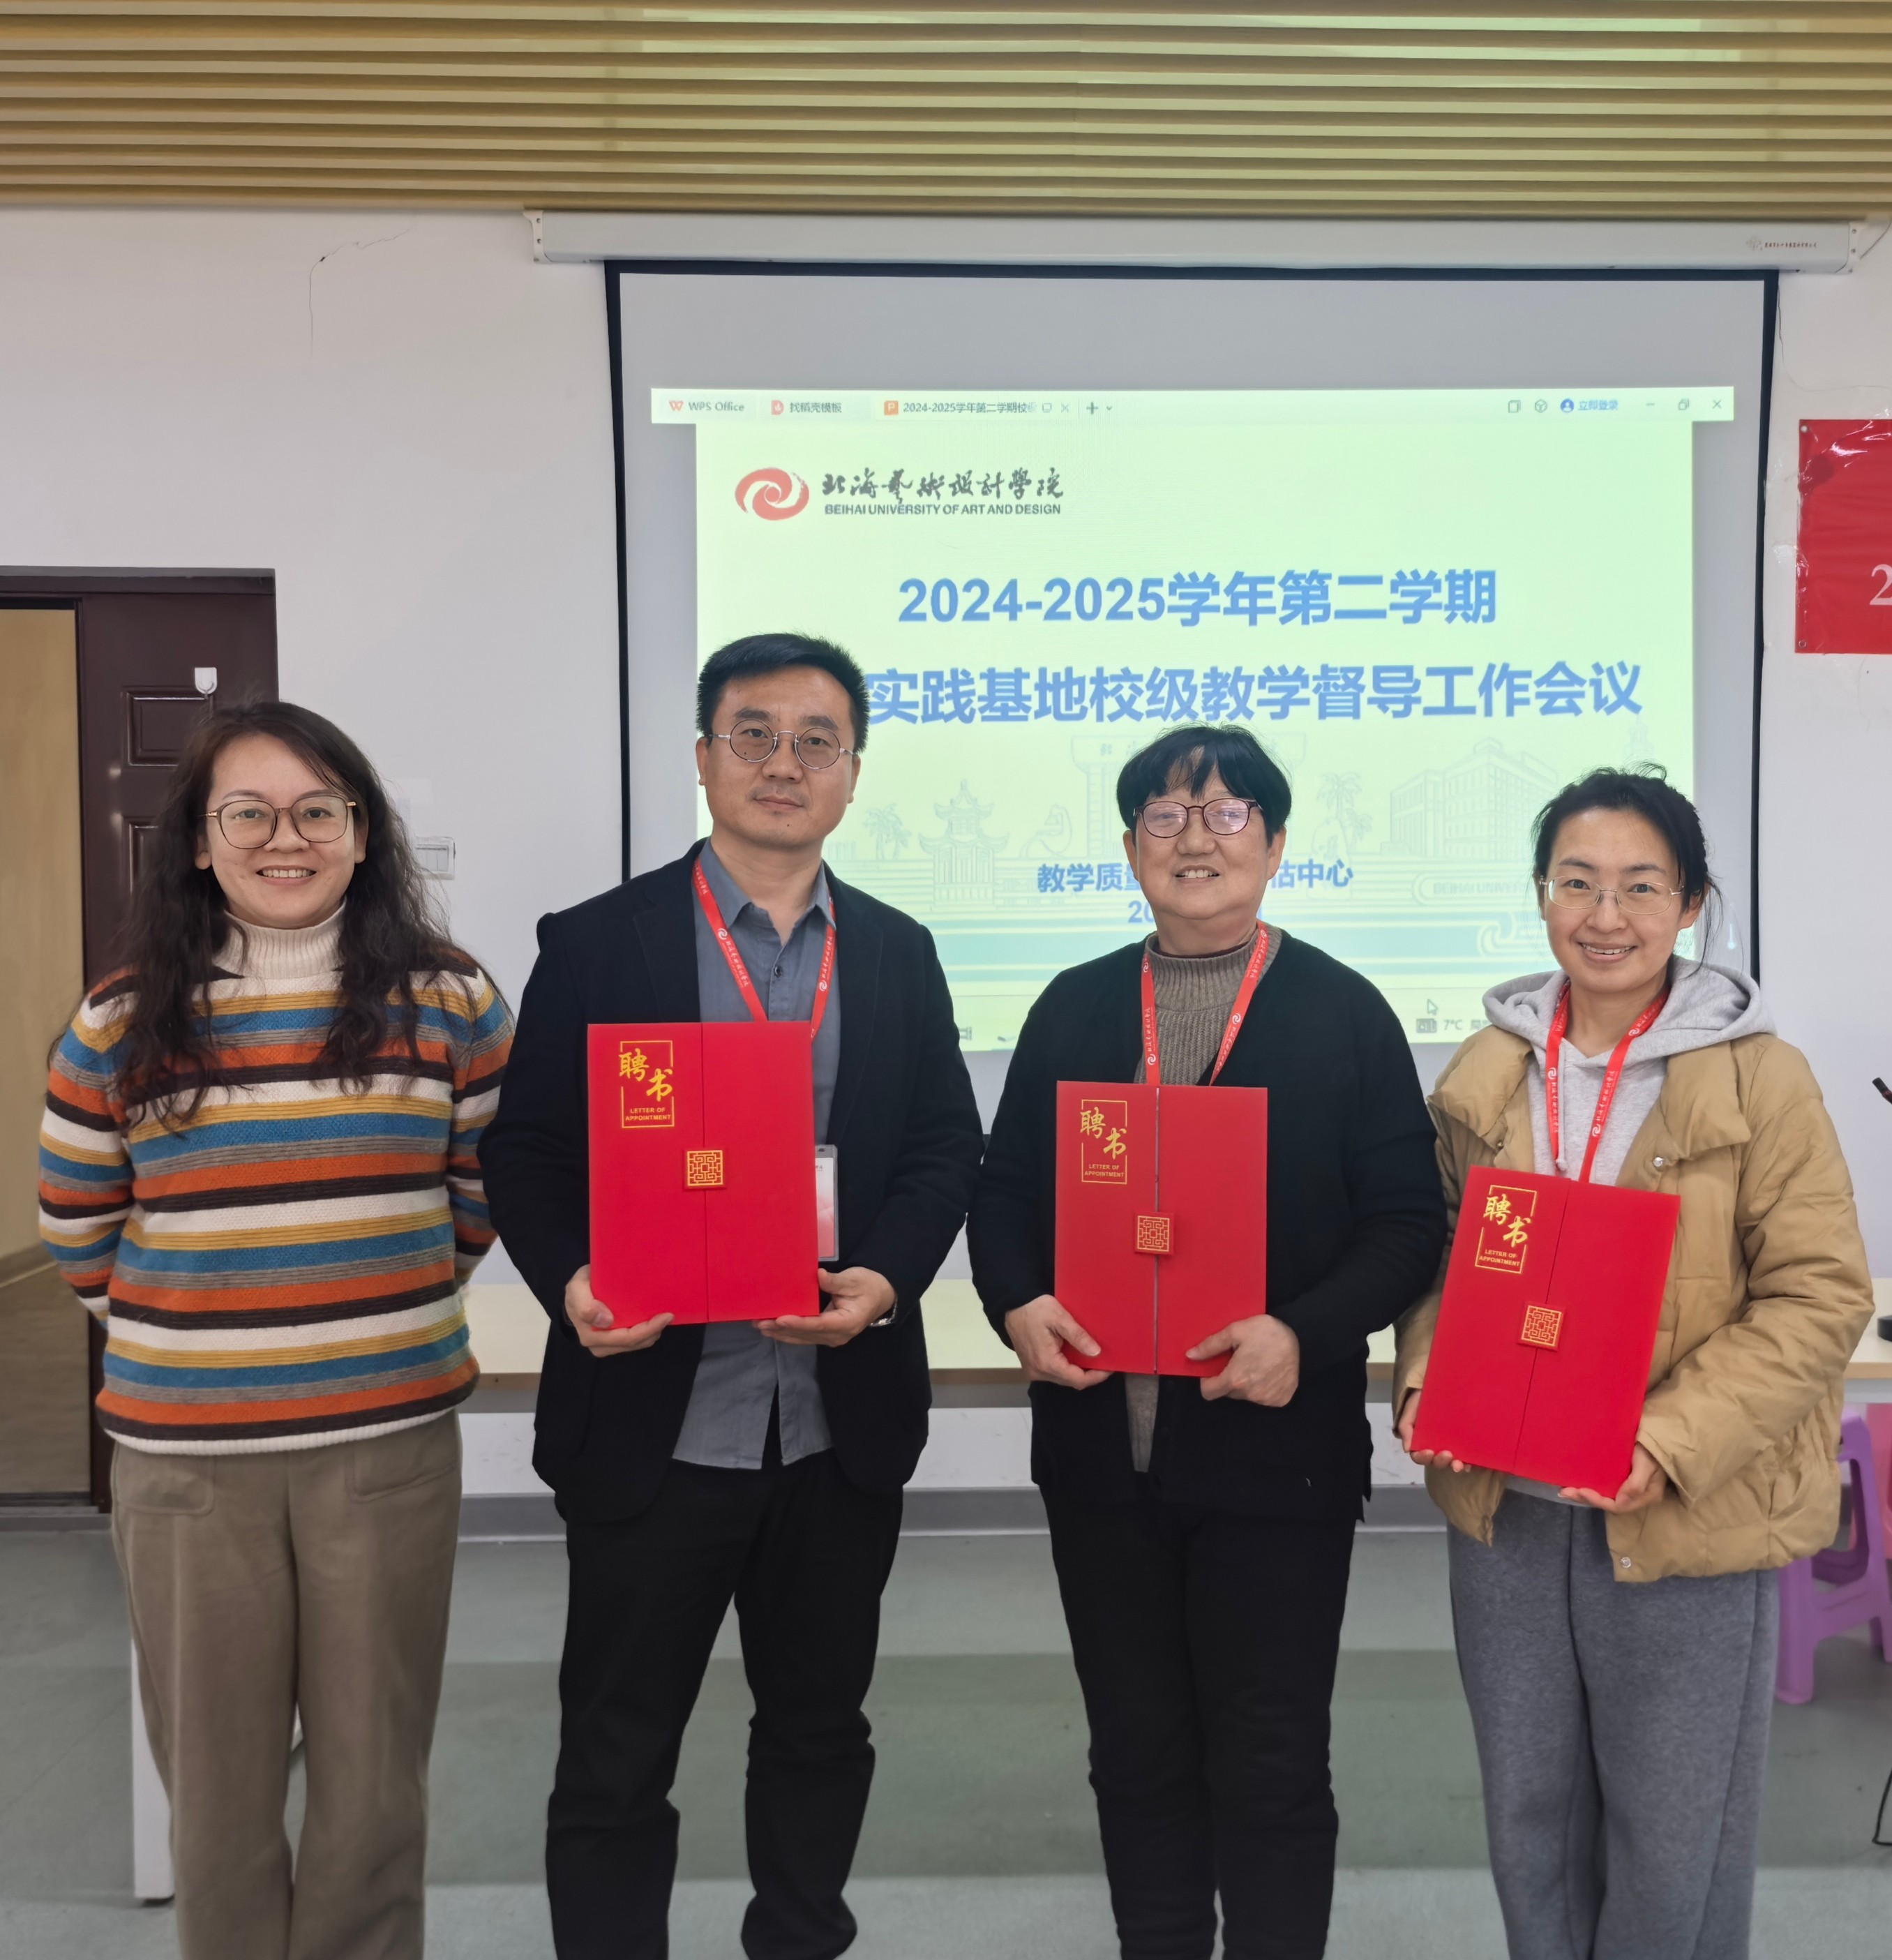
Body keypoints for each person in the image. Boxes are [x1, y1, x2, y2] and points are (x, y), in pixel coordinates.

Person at [479, 630, 984, 1960]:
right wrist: (572, 1281)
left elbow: (945, 1144)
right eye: (753, 734)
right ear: (703, 758)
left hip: (833, 1422)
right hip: (656, 1415)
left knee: (819, 1731)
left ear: (854, 772)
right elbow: (527, 1150)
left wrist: (885, 1281)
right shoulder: (601, 941)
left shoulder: (898, 950)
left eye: (818, 740)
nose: (783, 762)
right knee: (615, 1752)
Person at [35, 702, 513, 1960]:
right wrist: (202, 1334)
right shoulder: (122, 1017)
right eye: (247, 813)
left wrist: (367, 1315)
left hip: (386, 1448)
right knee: (219, 1798)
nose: (284, 838)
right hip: (190, 1468)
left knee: (374, 1790)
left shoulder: (451, 1000)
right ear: (200, 840)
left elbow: (480, 1199)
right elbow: (78, 1225)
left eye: (317, 811)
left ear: (362, 832)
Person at [968, 724, 1446, 1960]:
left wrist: (1303, 1331)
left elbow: (1408, 1226)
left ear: (1275, 846)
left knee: (1272, 1757)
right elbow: (1003, 1195)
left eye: (1228, 813)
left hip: (1275, 1461)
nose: (1197, 837)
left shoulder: (1343, 1012)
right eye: (1166, 815)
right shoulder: (1075, 1005)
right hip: (1101, 1456)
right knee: (1134, 1753)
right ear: (1130, 845)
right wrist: (1017, 1301)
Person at [1395, 765, 1874, 1960]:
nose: (1606, 915)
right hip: (1507, 1510)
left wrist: (1665, 1438)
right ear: (1540, 894)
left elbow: (1822, 1294)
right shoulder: (1486, 1068)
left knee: (1674, 1841)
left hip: (1681, 1514)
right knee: (1530, 1824)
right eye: (1577, 883)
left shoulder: (1760, 1077)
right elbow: (1436, 1258)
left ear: (1692, 902)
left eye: (1641, 886)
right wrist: (1426, 1377)